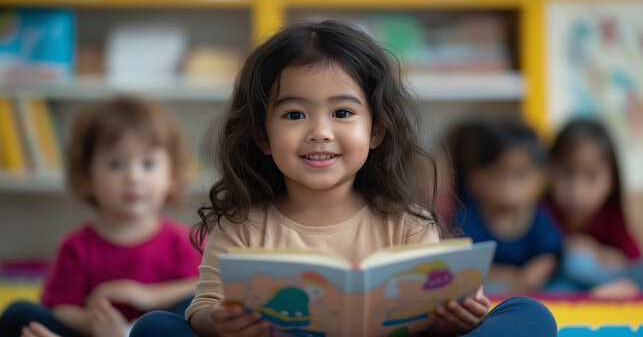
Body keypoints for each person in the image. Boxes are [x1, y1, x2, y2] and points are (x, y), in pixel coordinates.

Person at [131, 19, 557, 337]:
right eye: (295, 114)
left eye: (342, 112)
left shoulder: (408, 223)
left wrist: (460, 315)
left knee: (530, 314)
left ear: (375, 131)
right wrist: (219, 322)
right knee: (154, 328)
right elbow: (204, 305)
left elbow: (444, 305)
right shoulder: (241, 227)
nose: (320, 131)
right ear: (262, 135)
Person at [0, 97, 202, 337]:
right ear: (87, 176)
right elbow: (59, 307)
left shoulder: (187, 240)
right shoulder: (76, 245)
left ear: (172, 176)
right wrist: (96, 326)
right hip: (95, 332)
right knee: (19, 314)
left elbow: (202, 290)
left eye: (148, 164)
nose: (133, 177)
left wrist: (148, 296)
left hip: (154, 332)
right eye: (116, 165)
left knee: (182, 313)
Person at [453, 120, 563, 294]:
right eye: (498, 175)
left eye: (520, 176)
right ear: (474, 178)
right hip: (490, 289)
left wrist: (532, 275)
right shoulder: (467, 217)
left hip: (533, 290)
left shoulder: (539, 216)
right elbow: (464, 264)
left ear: (542, 177)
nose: (508, 188)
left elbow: (549, 256)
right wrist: (507, 276)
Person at [546, 119, 643, 297]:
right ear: (549, 172)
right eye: (567, 174)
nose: (577, 190)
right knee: (571, 268)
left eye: (591, 177)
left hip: (608, 288)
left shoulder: (611, 219)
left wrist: (598, 252)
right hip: (563, 294)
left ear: (612, 181)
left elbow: (632, 264)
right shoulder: (541, 215)